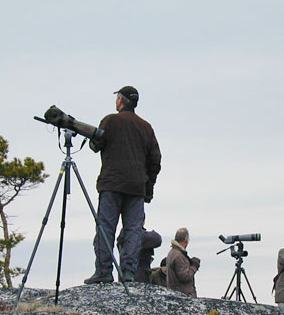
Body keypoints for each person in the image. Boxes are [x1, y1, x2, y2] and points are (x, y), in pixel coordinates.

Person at [84, 86, 162, 284]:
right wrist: (148, 185)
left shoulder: (110, 121)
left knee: (106, 228)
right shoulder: (146, 127)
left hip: (111, 185)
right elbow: (156, 160)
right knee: (133, 231)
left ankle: (103, 271)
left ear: (120, 100)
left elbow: (95, 145)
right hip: (136, 188)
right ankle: (128, 273)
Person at [116, 218, 162, 283]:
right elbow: (157, 239)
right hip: (139, 275)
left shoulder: (124, 235)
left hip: (126, 272)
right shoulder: (136, 236)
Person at [166, 228, 200, 297]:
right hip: (183, 296)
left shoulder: (172, 253)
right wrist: (194, 266)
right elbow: (185, 276)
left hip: (175, 294)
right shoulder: (179, 256)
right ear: (186, 241)